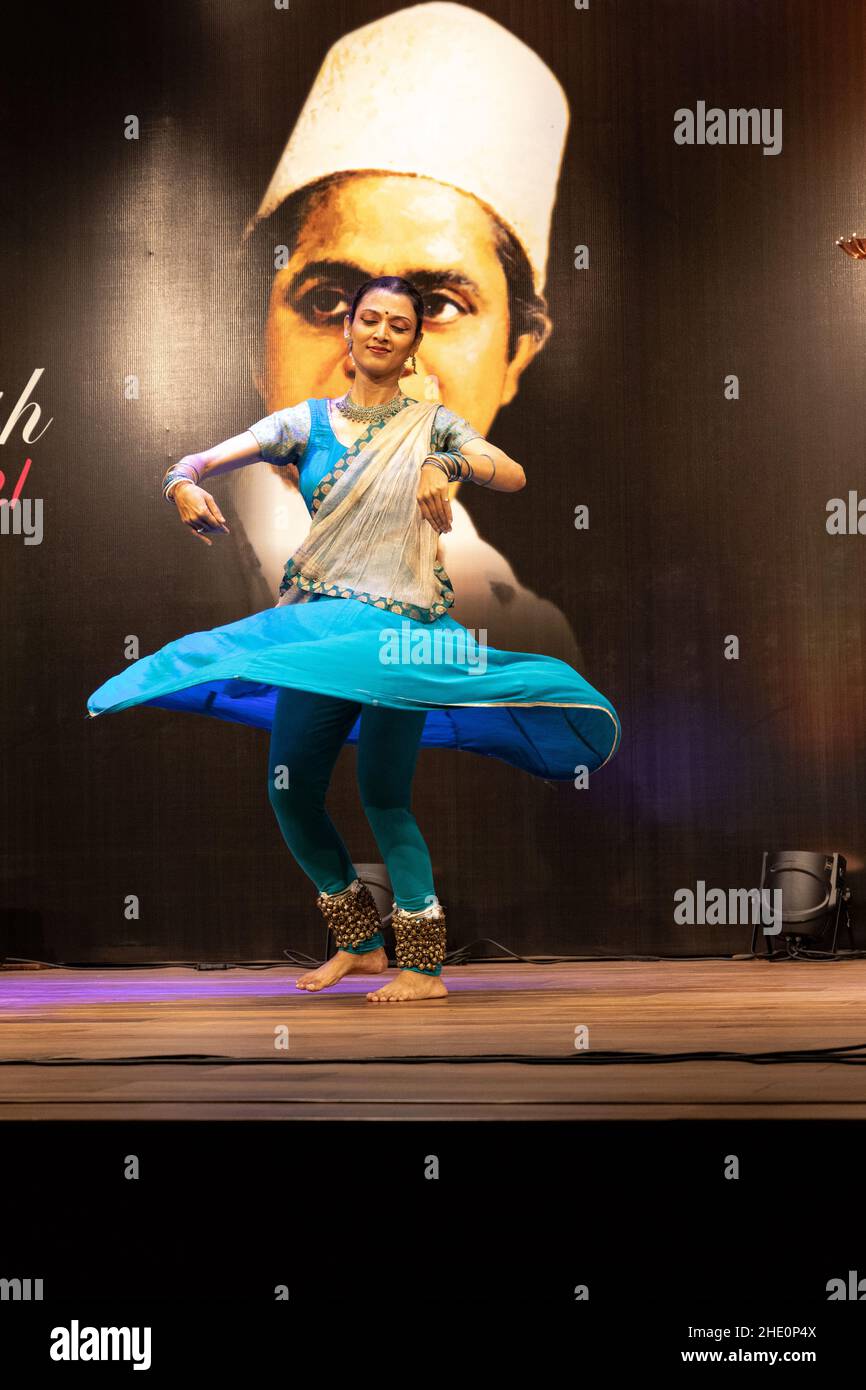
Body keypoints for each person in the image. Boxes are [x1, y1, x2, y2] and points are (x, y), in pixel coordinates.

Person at [87, 277, 621, 1003]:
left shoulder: (430, 424)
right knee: (291, 791)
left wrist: (449, 462)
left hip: (402, 637)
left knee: (383, 796)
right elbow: (200, 462)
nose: (379, 333)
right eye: (368, 319)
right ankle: (361, 944)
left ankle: (424, 966)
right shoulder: (303, 423)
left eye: (398, 326)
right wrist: (179, 482)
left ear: (413, 345)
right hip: (318, 629)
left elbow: (514, 473)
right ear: (349, 329)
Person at [232, 0, 584, 666]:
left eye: (441, 307)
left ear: (515, 358)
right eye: (330, 299)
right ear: (256, 343)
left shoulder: (530, 642)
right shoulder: (151, 577)